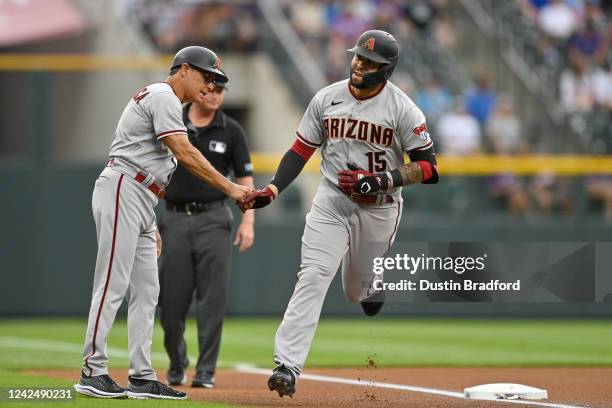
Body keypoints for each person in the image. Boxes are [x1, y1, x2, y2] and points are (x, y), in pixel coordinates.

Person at [239, 30, 439, 398]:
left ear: (387, 69)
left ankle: (370, 287)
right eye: (359, 57)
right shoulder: (327, 98)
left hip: (378, 208)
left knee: (354, 290)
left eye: (370, 61)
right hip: (331, 200)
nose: (359, 64)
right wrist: (273, 188)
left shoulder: (403, 109)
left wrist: (381, 180)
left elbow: (429, 168)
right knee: (313, 276)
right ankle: (287, 366)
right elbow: (299, 150)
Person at [74, 46, 251, 400]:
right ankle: (92, 369)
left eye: (216, 80)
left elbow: (156, 165)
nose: (210, 84)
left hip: (141, 195)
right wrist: (231, 188)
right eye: (206, 76)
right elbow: (184, 153)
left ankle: (141, 375)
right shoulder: (163, 96)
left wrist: (150, 221)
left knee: (148, 292)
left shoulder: (165, 100)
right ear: (183, 70)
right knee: (112, 282)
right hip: (124, 184)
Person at [158, 80, 254, 389]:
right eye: (210, 88)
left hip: (214, 218)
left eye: (221, 91)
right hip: (174, 218)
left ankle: (206, 371)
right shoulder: (173, 119)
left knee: (212, 301)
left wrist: (248, 221)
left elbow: (245, 177)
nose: (214, 95)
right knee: (170, 303)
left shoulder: (232, 130)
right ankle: (176, 361)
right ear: (199, 90)